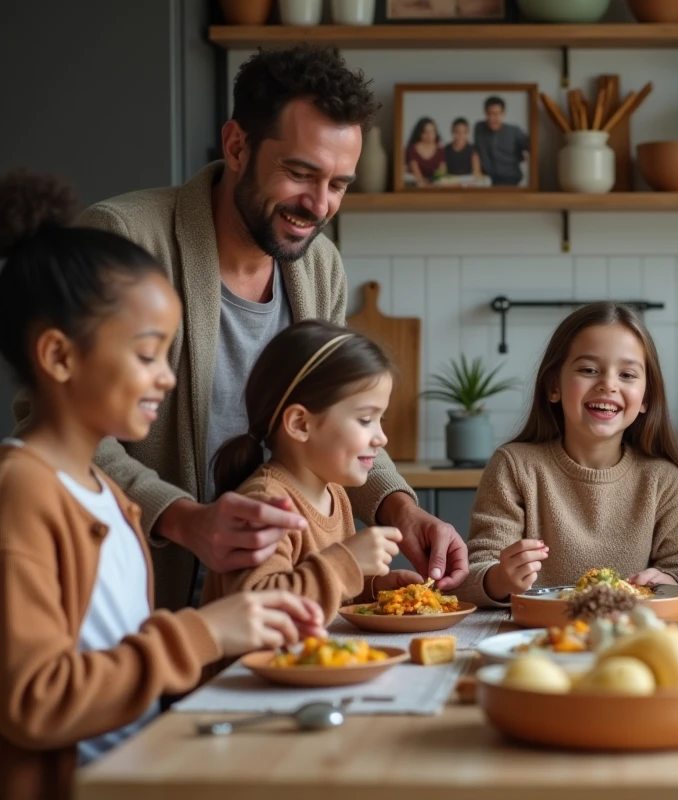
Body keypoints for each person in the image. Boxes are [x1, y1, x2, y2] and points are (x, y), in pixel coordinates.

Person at [12, 44, 469, 612]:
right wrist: (184, 519)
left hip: (272, 614)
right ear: (236, 146)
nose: (319, 205)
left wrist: (401, 506)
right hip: (151, 604)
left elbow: (335, 410)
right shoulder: (127, 239)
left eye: (340, 184)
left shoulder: (320, 266)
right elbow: (51, 421)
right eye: (300, 173)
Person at [0, 171, 326, 799]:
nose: (167, 378)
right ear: (59, 357)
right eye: (148, 354)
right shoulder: (25, 493)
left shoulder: (108, 496)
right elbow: (36, 701)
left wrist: (237, 636)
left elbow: (127, 672)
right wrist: (208, 632)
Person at [457, 302, 678, 608]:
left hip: (631, 639)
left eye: (627, 375)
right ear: (554, 386)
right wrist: (500, 578)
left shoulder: (663, 480)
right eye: (589, 370)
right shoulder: (514, 467)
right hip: (539, 638)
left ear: (646, 398)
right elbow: (473, 575)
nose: (608, 384)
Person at [202, 320, 423, 622]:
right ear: (300, 424)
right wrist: (348, 562)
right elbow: (258, 612)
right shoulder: (264, 505)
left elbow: (323, 595)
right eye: (365, 419)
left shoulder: (335, 494)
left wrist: (372, 589)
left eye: (380, 419)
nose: (381, 438)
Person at [473, 96, 530, 187]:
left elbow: (533, 149)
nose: (492, 118)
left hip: (510, 180)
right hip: (487, 181)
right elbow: (476, 151)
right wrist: (477, 174)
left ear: (503, 114)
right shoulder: (479, 128)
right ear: (485, 113)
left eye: (496, 114)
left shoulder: (515, 131)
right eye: (489, 114)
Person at [404, 117, 446, 187]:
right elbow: (417, 175)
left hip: (437, 187)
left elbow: (441, 174)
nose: (430, 135)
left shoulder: (440, 150)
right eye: (426, 132)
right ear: (419, 133)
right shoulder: (413, 150)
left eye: (432, 131)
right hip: (417, 187)